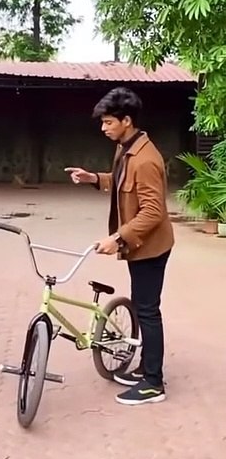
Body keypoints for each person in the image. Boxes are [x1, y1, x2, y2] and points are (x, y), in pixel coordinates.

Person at [65, 87, 174, 406]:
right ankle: (145, 368)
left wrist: (118, 238)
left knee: (148, 310)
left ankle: (153, 383)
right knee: (142, 305)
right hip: (139, 245)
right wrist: (94, 179)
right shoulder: (127, 148)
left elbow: (153, 211)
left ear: (127, 121)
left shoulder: (146, 159)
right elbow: (121, 180)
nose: (103, 128)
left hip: (151, 247)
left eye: (109, 122)